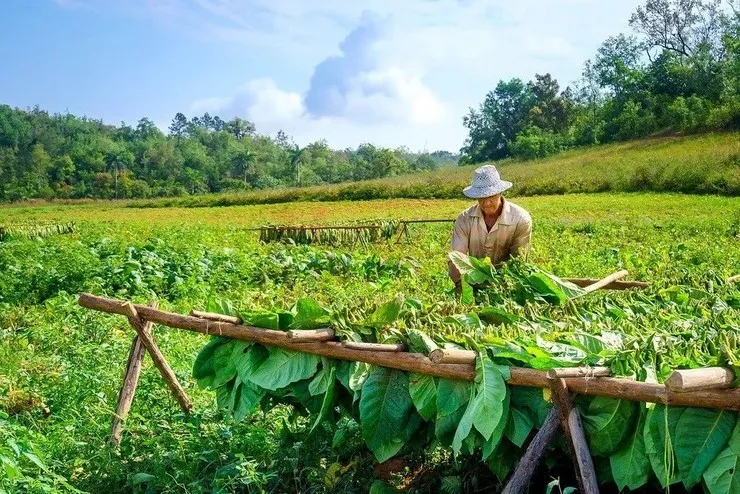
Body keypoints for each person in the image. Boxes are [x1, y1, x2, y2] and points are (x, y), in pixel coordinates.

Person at [448, 165, 532, 290]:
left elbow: (518, 262)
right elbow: (456, 259)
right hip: (472, 284)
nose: (486, 203)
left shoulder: (520, 219)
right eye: (481, 197)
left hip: (507, 284)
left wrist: (504, 288)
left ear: (500, 192)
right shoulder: (465, 219)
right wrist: (463, 287)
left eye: (491, 196)